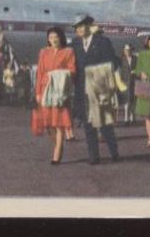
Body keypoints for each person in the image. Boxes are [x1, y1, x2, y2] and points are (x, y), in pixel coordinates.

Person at [70, 14, 120, 164]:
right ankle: (94, 157)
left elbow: (113, 63)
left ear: (89, 26)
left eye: (80, 26)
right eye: (76, 27)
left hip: (99, 89)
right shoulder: (75, 44)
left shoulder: (103, 42)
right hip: (82, 90)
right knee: (88, 125)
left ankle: (114, 153)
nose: (78, 29)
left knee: (104, 125)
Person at [31, 27, 76, 164]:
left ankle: (57, 154)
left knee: (59, 123)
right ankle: (56, 145)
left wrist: (58, 75)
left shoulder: (68, 52)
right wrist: (38, 92)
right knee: (49, 124)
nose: (53, 40)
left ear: (61, 37)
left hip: (59, 92)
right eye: (50, 37)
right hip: (45, 90)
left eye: (55, 37)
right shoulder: (44, 52)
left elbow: (72, 70)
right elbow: (40, 73)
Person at [118, 44, 137, 124]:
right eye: (126, 50)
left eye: (129, 50)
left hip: (134, 81)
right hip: (125, 81)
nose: (127, 52)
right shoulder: (121, 59)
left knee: (133, 101)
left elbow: (139, 67)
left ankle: (132, 117)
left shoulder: (135, 59)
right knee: (126, 101)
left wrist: (136, 71)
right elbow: (118, 70)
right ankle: (126, 118)